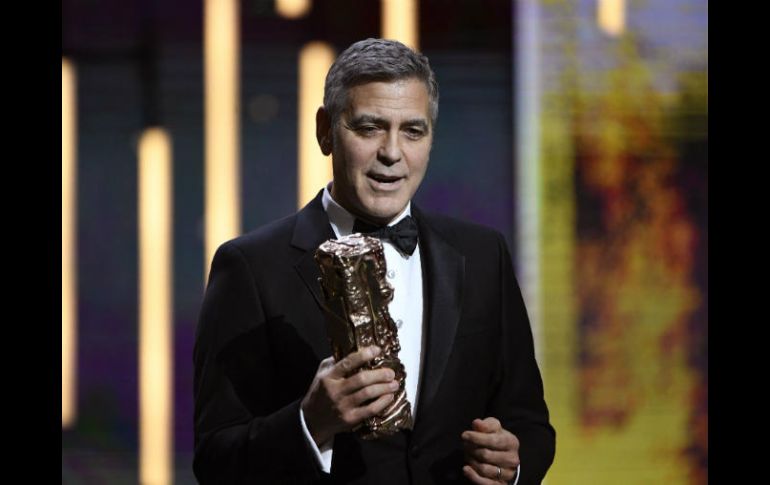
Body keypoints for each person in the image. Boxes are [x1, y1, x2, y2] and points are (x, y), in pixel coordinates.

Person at [193, 38, 555, 484]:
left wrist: (512, 466)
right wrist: (311, 423)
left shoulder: (482, 255)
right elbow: (215, 460)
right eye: (369, 128)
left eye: (413, 131)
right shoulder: (249, 267)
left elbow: (530, 424)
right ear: (326, 131)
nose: (392, 152)